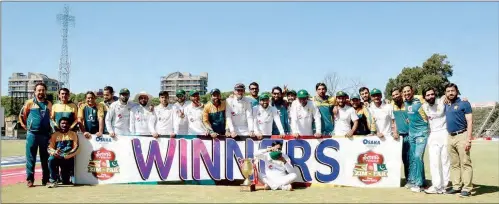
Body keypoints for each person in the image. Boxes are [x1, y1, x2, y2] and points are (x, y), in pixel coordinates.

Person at [18, 83, 53, 187]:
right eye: (39, 90)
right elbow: (22, 115)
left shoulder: (49, 104)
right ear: (35, 92)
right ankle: (30, 179)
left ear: (45, 91)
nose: (41, 92)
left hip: (45, 135)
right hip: (32, 134)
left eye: (43, 90)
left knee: (45, 158)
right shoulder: (29, 103)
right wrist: (26, 126)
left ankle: (46, 179)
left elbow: (51, 118)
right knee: (30, 158)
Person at [443, 83, 473, 197]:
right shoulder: (446, 104)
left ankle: (467, 188)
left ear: (457, 91)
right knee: (454, 164)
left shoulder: (464, 103)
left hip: (462, 135)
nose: (450, 93)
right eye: (448, 91)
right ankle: (456, 186)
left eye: (452, 91)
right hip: (450, 136)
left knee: (465, 162)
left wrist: (468, 140)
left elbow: (470, 122)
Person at [421, 87, 450, 194]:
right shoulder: (424, 106)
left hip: (444, 133)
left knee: (445, 161)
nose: (430, 96)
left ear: (435, 94)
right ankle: (436, 186)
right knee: (434, 162)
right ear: (424, 97)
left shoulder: (442, 101)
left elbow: (452, 97)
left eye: (432, 94)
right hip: (433, 134)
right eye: (428, 95)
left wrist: (464, 99)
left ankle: (445, 186)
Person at [402, 84, 429, 192]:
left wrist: (444, 98)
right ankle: (418, 180)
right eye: (404, 92)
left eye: (408, 91)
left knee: (418, 156)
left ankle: (419, 184)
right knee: (414, 158)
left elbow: (433, 99)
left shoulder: (420, 100)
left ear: (412, 91)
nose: (407, 93)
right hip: (411, 134)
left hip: (421, 133)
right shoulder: (405, 103)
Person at [47, 117, 79, 188]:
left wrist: (65, 155)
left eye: (66, 123)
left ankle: (66, 177)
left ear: (69, 125)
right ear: (59, 124)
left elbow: (76, 148)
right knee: (51, 159)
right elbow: (49, 147)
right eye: (62, 123)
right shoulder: (55, 135)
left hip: (68, 159)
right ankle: (53, 180)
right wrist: (54, 152)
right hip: (57, 157)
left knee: (66, 181)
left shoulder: (73, 134)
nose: (64, 125)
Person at [390, 87, 412, 188]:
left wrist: (443, 97)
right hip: (399, 137)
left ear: (401, 94)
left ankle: (414, 180)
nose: (395, 96)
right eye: (393, 95)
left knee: (412, 158)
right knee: (403, 159)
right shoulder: (391, 106)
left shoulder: (408, 103)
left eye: (397, 94)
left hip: (410, 134)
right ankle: (407, 179)